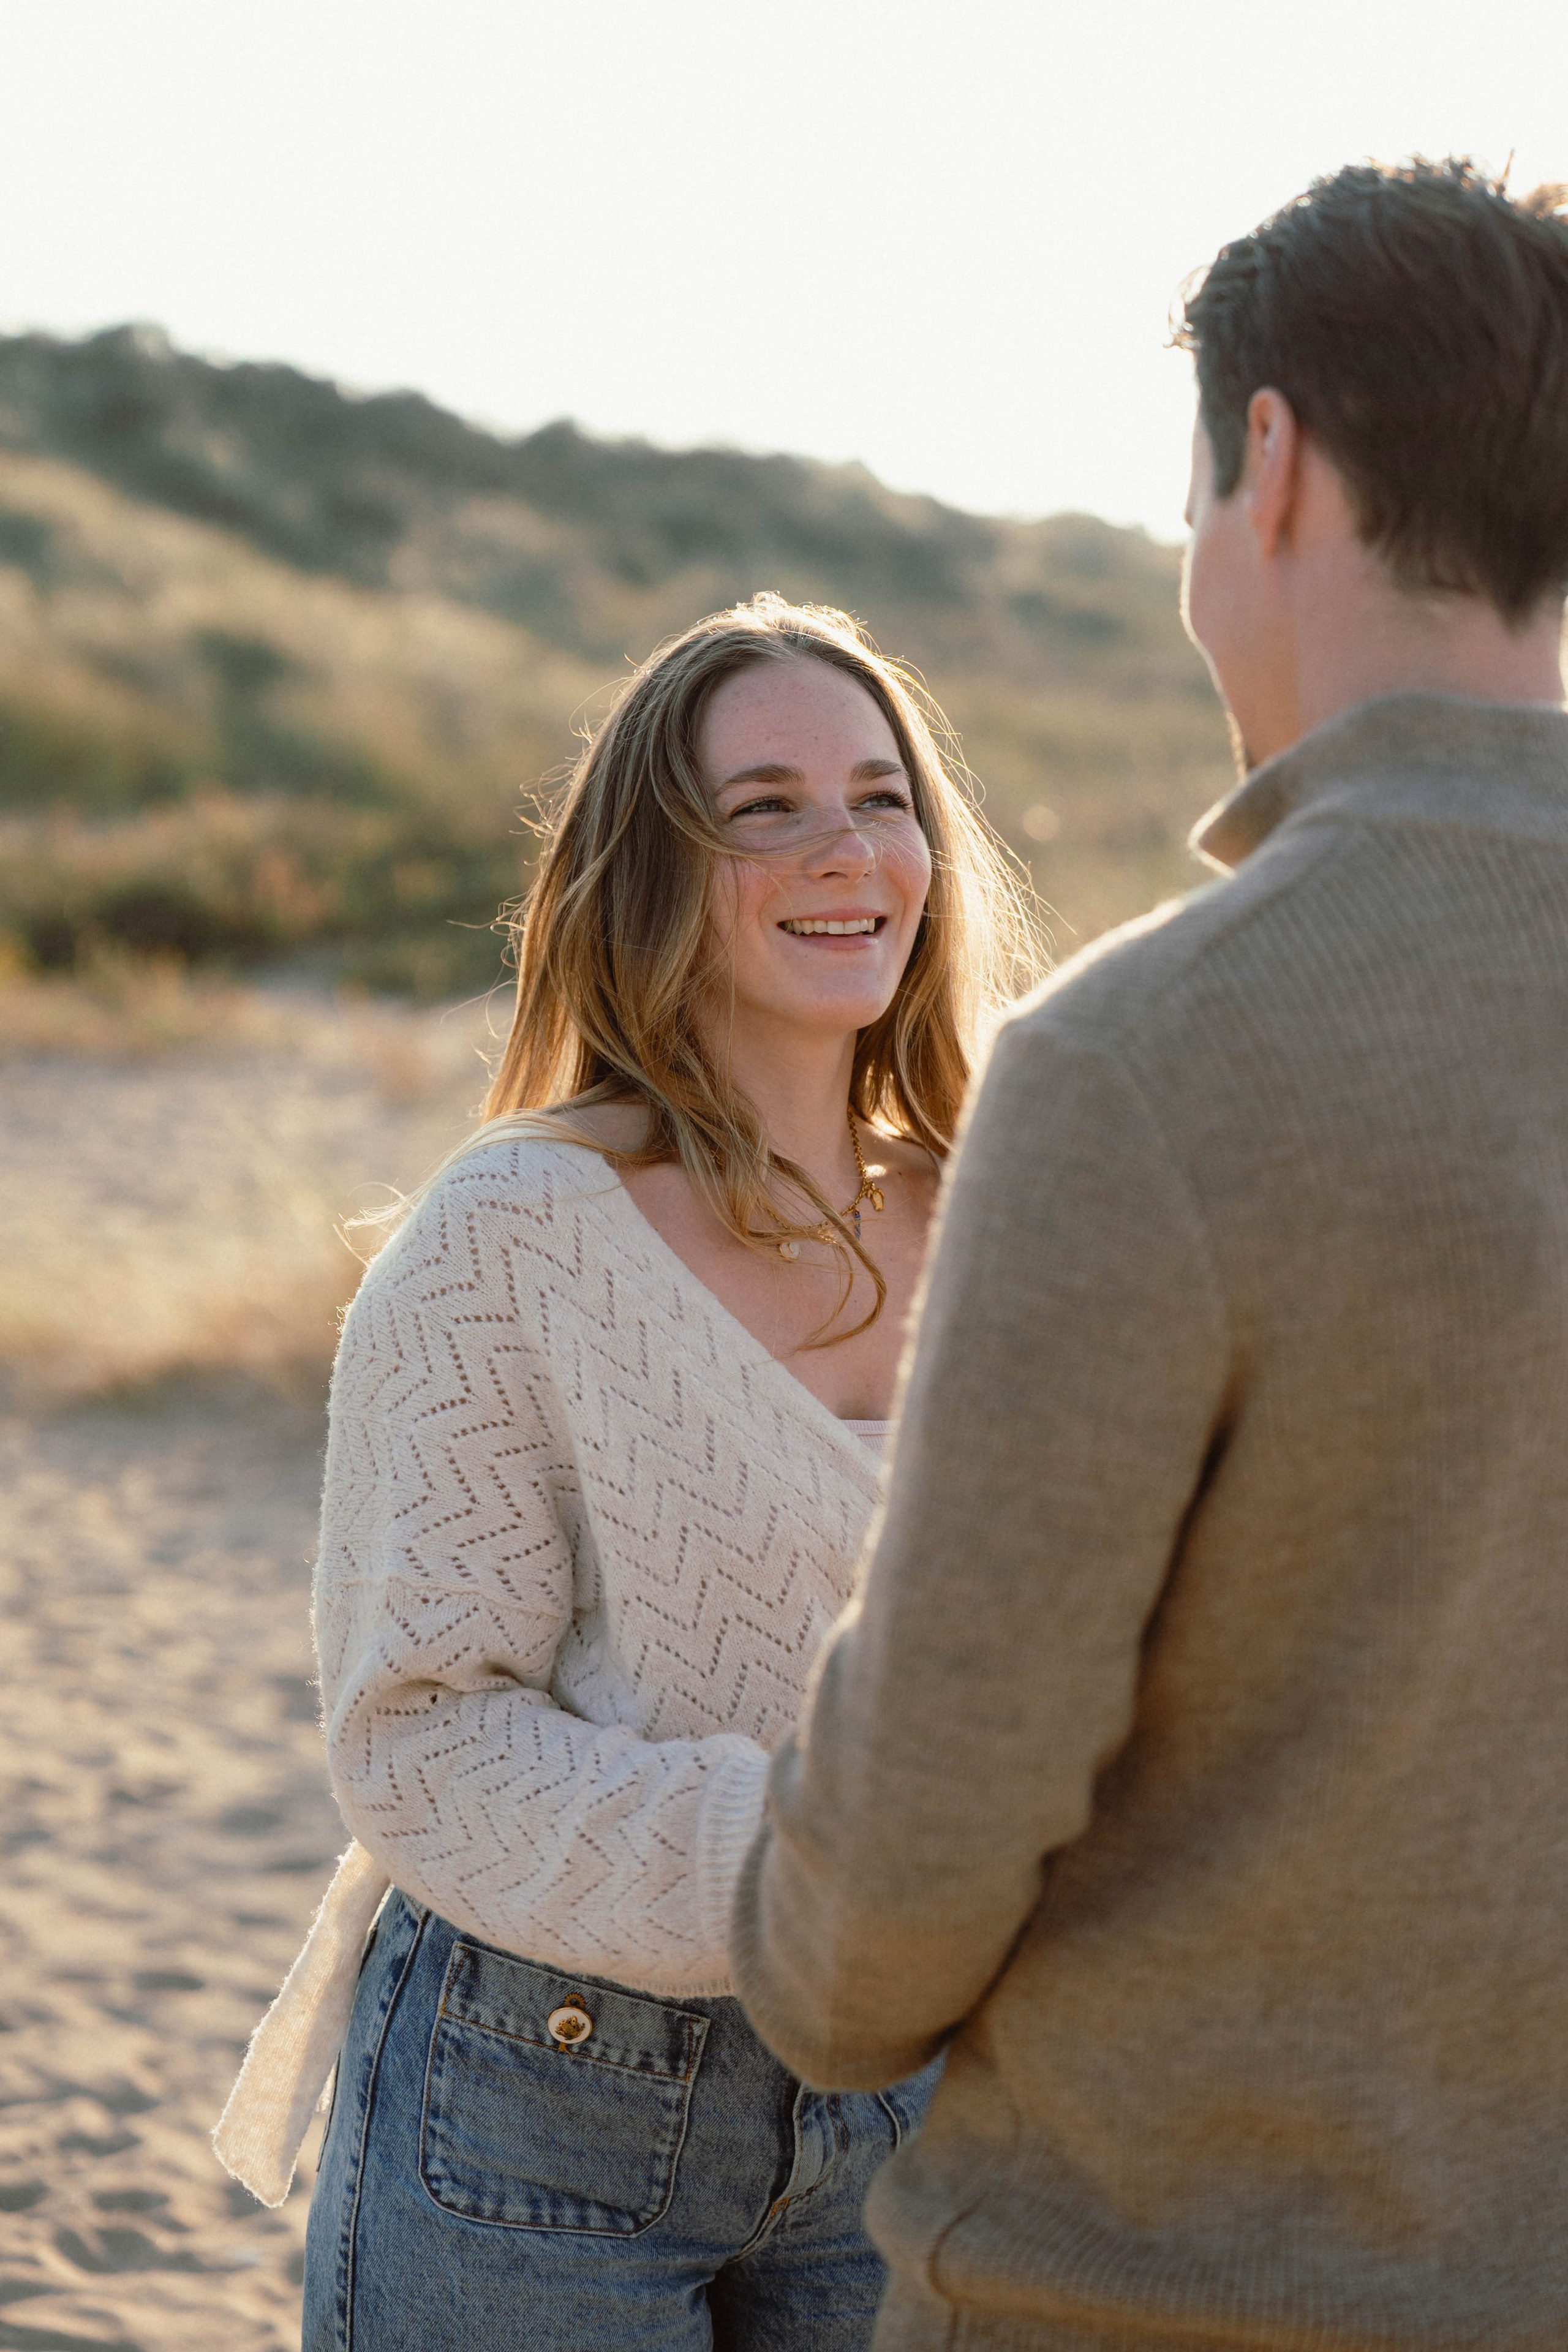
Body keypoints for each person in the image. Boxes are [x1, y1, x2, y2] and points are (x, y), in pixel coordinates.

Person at [730, 157, 1568, 2350]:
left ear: (1267, 465)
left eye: (1194, 500)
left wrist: (793, 1935)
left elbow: (897, 1886)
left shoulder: (1149, 1058)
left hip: (1151, 2293)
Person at [213, 594, 1035, 2349]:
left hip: (905, 2094)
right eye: (765, 809)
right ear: (654, 872)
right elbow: (422, 1733)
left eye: (882, 798)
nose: (846, 850)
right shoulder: (511, 1234)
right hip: (542, 2089)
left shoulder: (1008, 1210)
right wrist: (828, 1863)